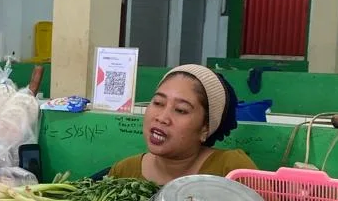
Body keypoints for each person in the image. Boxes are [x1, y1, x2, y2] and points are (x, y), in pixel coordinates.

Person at [108, 65, 256, 185]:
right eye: (158, 103)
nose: (162, 118)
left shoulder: (231, 170)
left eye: (180, 110)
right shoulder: (123, 172)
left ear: (205, 128)